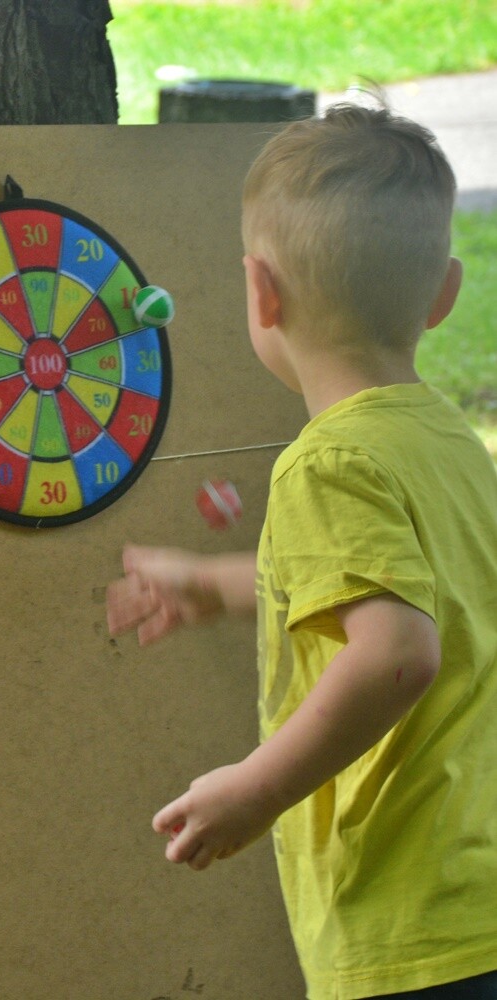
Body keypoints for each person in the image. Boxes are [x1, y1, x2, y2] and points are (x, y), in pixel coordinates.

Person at [106, 100, 497, 1000]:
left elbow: (398, 650)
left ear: (260, 293)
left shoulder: (324, 465)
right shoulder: (447, 443)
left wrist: (256, 787)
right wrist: (222, 584)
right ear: (443, 292)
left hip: (408, 924)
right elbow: (406, 589)